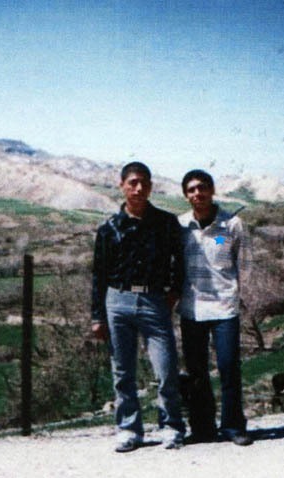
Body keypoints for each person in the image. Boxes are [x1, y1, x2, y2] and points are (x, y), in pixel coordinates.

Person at [91, 162, 186, 452]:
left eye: (144, 182)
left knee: (166, 369)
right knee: (122, 371)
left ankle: (171, 426)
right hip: (117, 301)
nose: (139, 188)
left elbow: (179, 260)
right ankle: (129, 429)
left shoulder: (166, 223)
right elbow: (99, 275)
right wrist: (97, 316)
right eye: (132, 182)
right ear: (122, 185)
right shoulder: (109, 228)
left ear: (151, 186)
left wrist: (174, 292)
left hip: (154, 300)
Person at [178, 169, 253, 446]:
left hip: (224, 307)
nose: (198, 193)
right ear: (186, 195)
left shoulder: (231, 225)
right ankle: (203, 428)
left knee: (228, 367)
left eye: (202, 187)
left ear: (212, 190)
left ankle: (233, 426)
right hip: (191, 308)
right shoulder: (180, 226)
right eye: (192, 189)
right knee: (196, 371)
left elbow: (244, 263)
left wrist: (241, 295)